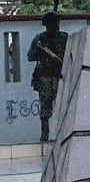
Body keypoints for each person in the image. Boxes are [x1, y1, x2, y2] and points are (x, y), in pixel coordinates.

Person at [27, 11, 67, 142]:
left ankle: (63, 132)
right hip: (44, 76)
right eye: (55, 23)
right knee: (45, 106)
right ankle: (45, 133)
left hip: (59, 75)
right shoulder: (39, 39)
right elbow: (30, 57)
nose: (57, 25)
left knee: (62, 105)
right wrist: (41, 52)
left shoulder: (64, 37)